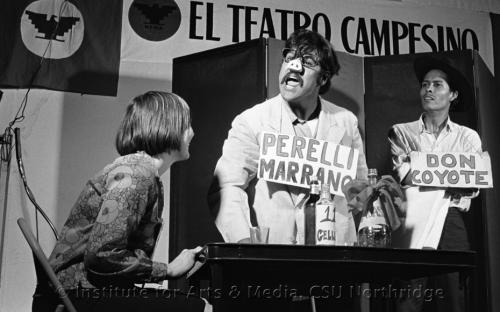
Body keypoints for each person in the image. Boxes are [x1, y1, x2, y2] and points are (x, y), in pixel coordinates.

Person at [33, 91, 207, 312]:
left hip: (82, 291)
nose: (192, 132)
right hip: (75, 295)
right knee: (194, 307)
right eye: (187, 124)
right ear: (169, 127)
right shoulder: (136, 175)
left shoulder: (138, 171)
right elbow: (102, 255)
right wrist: (168, 270)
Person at [208, 28, 368, 245]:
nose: (294, 66)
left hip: (334, 258)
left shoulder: (346, 122)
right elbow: (226, 186)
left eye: (307, 62)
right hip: (273, 257)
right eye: (290, 57)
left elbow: (359, 189)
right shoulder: (252, 120)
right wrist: (243, 242)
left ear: (323, 79)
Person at [388, 56, 482, 312]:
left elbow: (473, 183)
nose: (428, 89)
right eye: (425, 84)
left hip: (451, 218)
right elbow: (404, 176)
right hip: (414, 217)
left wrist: (423, 171)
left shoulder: (467, 137)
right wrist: (452, 176)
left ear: (452, 95)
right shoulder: (401, 132)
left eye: (437, 84)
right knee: (409, 296)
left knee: (454, 295)